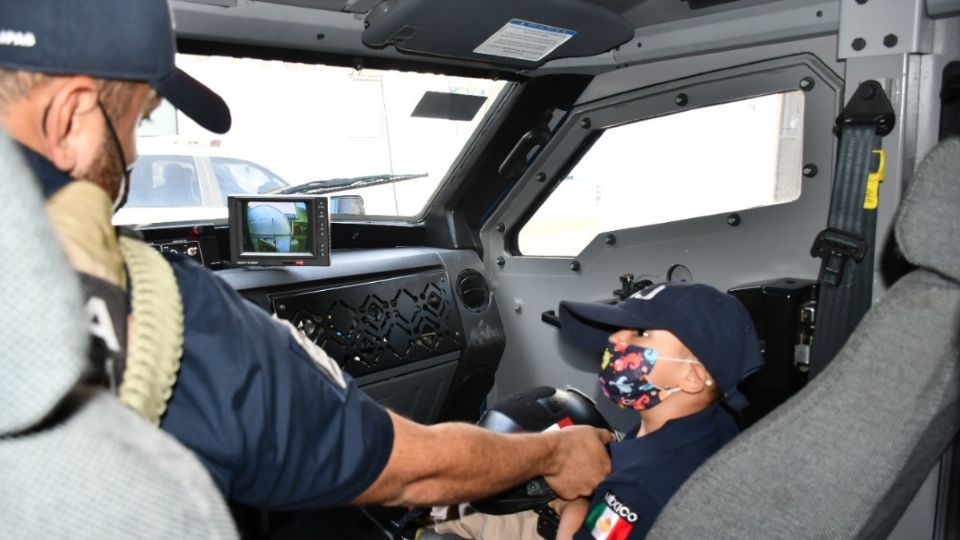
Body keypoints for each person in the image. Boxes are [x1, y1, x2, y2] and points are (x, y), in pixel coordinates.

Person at [0, 0, 612, 512]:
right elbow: (403, 468)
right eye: (138, 121)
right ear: (69, 117)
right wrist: (553, 452)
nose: (132, 153)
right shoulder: (171, 313)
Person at [431, 281, 763, 539]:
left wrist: (570, 503)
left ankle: (428, 522)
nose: (615, 341)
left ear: (692, 377)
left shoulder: (636, 488)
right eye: (619, 330)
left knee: (460, 508)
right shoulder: (718, 423)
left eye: (640, 333)